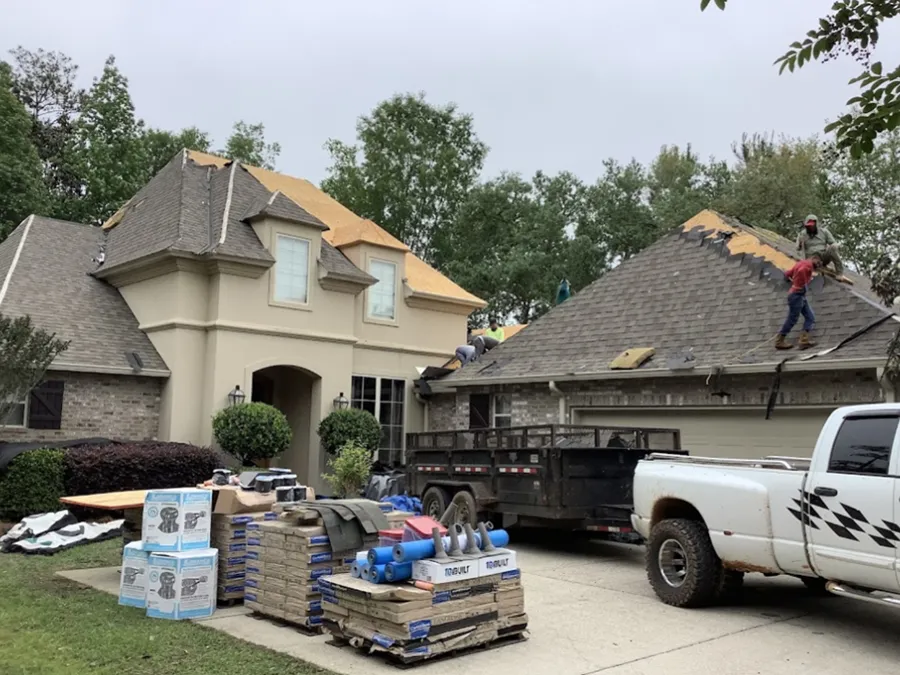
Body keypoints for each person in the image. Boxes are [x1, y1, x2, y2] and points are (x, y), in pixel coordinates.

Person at [776, 254, 823, 350]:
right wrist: (802, 285)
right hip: (796, 296)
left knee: (810, 317)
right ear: (813, 258)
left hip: (799, 295)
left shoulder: (800, 263)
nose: (818, 265)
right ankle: (779, 341)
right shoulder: (807, 266)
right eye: (818, 263)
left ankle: (803, 341)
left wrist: (791, 280)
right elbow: (802, 272)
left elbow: (787, 274)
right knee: (792, 319)